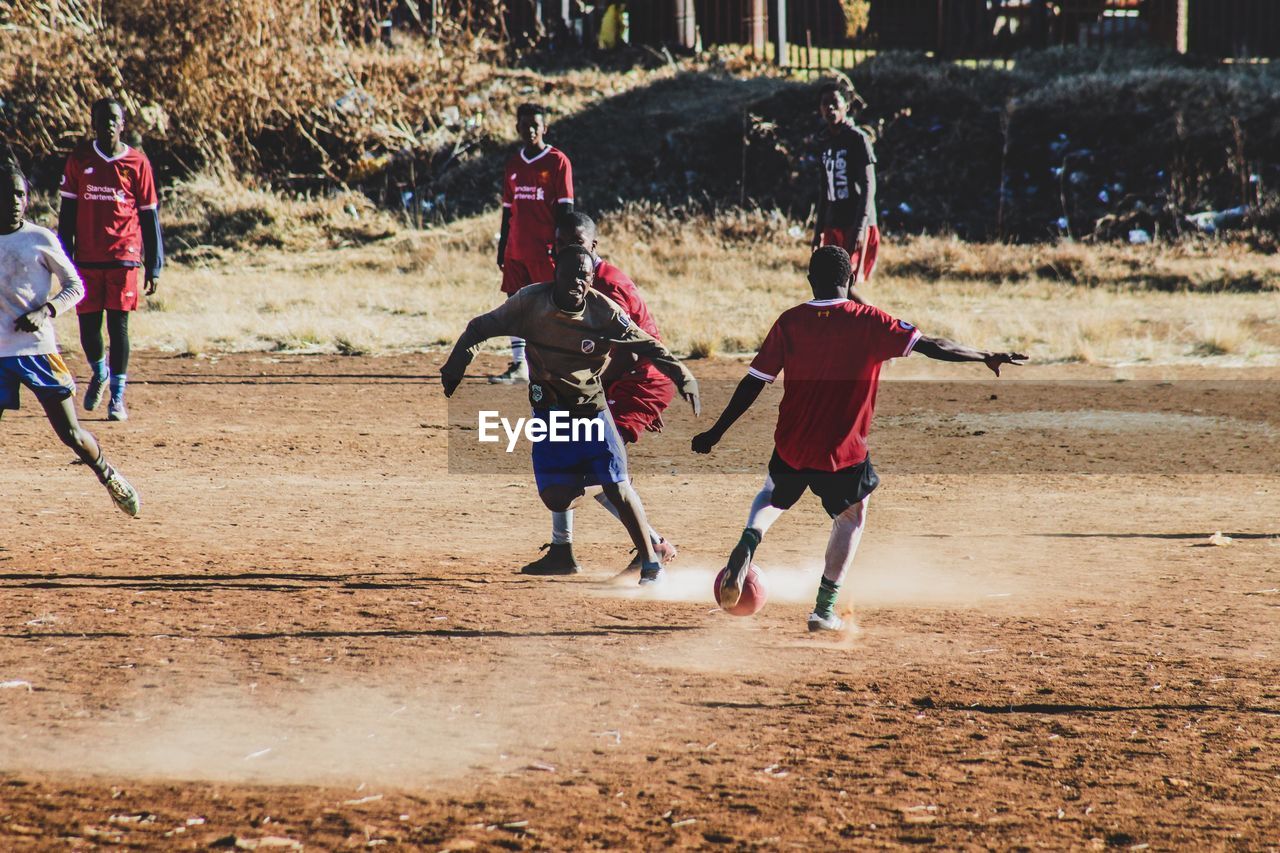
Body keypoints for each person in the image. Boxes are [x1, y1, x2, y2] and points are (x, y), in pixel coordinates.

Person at [692, 247, 1025, 632]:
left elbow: (754, 383)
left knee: (773, 495)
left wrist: (716, 432)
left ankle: (750, 539)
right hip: (843, 451)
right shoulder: (869, 320)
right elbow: (933, 345)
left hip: (793, 443)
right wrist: (983, 355)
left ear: (809, 281)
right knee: (852, 515)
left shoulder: (790, 322)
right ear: (850, 281)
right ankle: (823, 608)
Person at [442, 245, 699, 585]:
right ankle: (576, 519)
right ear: (555, 274)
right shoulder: (529, 302)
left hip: (592, 411)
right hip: (550, 413)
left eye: (584, 276)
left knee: (617, 485)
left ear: (592, 279)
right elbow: (480, 327)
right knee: (555, 496)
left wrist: (683, 376)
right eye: (569, 275)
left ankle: (651, 563)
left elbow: (645, 344)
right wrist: (457, 363)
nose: (577, 282)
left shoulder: (603, 311)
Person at [523, 213, 678, 577]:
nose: (568, 249)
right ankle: (562, 551)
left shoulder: (605, 286)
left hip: (638, 378)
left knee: (598, 465)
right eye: (561, 244)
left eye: (576, 243)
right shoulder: (570, 278)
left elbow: (632, 351)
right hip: (613, 380)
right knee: (563, 438)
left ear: (594, 247)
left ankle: (652, 547)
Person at [0, 160, 139, 517]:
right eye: (7, 193)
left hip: (37, 351)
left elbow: (76, 287)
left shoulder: (39, 239)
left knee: (71, 434)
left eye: (20, 193)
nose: (14, 200)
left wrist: (46, 310)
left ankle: (109, 476)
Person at [57, 97, 164, 422]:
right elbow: (67, 214)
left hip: (124, 258)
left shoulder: (137, 163)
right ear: (93, 123)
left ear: (122, 124)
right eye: (102, 119)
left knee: (118, 327)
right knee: (89, 328)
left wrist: (154, 263)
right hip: (87, 259)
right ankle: (99, 371)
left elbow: (149, 216)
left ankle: (117, 396)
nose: (108, 125)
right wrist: (63, 259)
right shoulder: (79, 159)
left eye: (114, 119)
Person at [491, 102, 574, 385]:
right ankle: (519, 366)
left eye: (535, 125)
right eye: (524, 125)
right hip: (516, 249)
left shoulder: (557, 161)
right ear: (517, 128)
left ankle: (558, 365)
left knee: (552, 306)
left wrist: (565, 250)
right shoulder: (513, 164)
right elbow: (507, 210)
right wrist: (503, 247)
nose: (530, 130)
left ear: (544, 128)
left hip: (545, 250)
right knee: (516, 306)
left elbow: (566, 210)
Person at [813, 82, 878, 289]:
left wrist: (859, 229)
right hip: (833, 222)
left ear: (846, 107)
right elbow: (825, 189)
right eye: (825, 104)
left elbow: (869, 186)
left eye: (835, 103)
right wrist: (818, 230)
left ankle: (877, 319)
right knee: (830, 287)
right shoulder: (824, 141)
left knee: (849, 287)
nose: (830, 108)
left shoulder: (858, 139)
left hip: (856, 223)